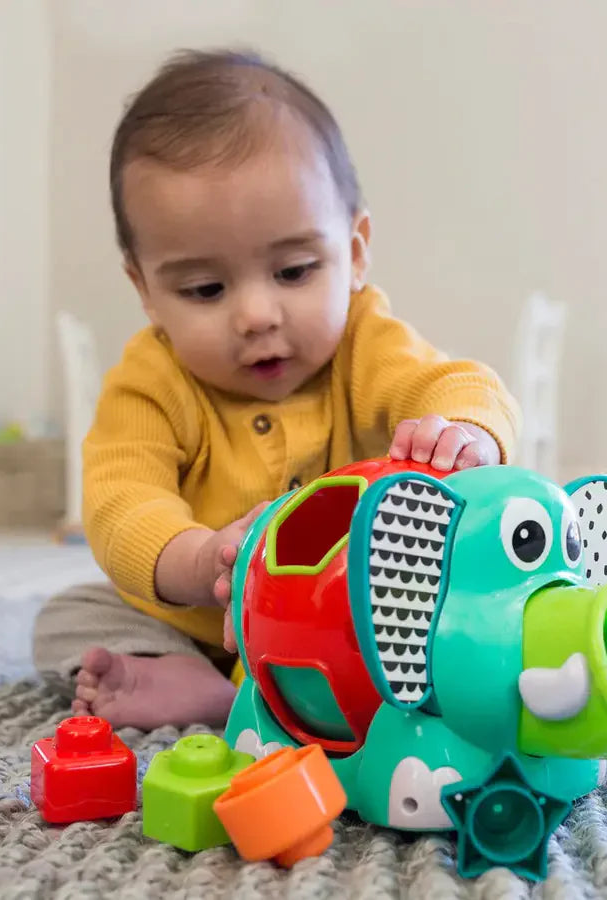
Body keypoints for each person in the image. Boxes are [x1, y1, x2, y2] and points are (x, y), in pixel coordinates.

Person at [32, 49, 521, 731]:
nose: (257, 315)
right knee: (69, 616)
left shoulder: (365, 341)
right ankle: (206, 684)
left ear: (352, 253)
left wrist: (462, 430)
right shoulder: (152, 382)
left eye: (292, 271)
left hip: (355, 611)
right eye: (206, 289)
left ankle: (292, 691)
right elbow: (120, 502)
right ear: (145, 290)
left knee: (464, 607)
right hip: (209, 622)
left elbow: (456, 382)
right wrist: (200, 558)